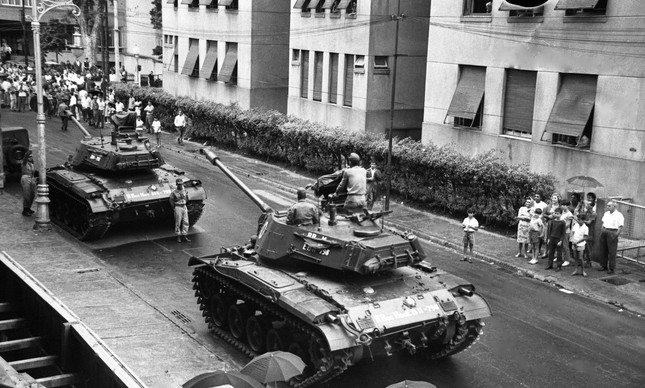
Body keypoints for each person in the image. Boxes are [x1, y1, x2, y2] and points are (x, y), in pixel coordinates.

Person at [597, 200, 624, 274]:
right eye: (607, 206)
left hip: (612, 231)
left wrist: (616, 235)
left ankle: (611, 268)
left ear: (614, 206)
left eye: (609, 206)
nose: (607, 207)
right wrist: (602, 230)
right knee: (603, 249)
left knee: (612, 251)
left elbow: (620, 227)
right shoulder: (606, 213)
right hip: (605, 230)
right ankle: (603, 265)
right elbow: (603, 222)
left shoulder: (619, 215)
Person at [169, 178, 190, 243]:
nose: (180, 185)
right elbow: (171, 200)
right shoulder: (174, 192)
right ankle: (178, 236)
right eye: (178, 184)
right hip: (178, 207)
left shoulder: (184, 190)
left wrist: (185, 204)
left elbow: (186, 197)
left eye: (181, 184)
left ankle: (184, 235)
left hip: (184, 206)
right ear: (176, 184)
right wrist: (174, 208)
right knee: (178, 222)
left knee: (186, 222)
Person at [583, 192, 597, 268]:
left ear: (591, 206)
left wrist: (582, 220)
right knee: (584, 246)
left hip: (590, 231)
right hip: (585, 230)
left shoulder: (593, 214)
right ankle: (585, 260)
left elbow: (589, 222)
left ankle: (589, 261)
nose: (587, 205)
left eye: (588, 204)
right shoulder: (586, 212)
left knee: (588, 247)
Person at [20, 150, 36, 216]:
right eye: (29, 157)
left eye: (31, 157)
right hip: (25, 178)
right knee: (27, 195)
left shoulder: (32, 164)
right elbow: (25, 159)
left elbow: (33, 172)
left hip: (31, 178)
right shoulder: (24, 164)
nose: (30, 158)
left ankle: (28, 208)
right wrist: (27, 155)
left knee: (32, 195)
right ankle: (25, 210)